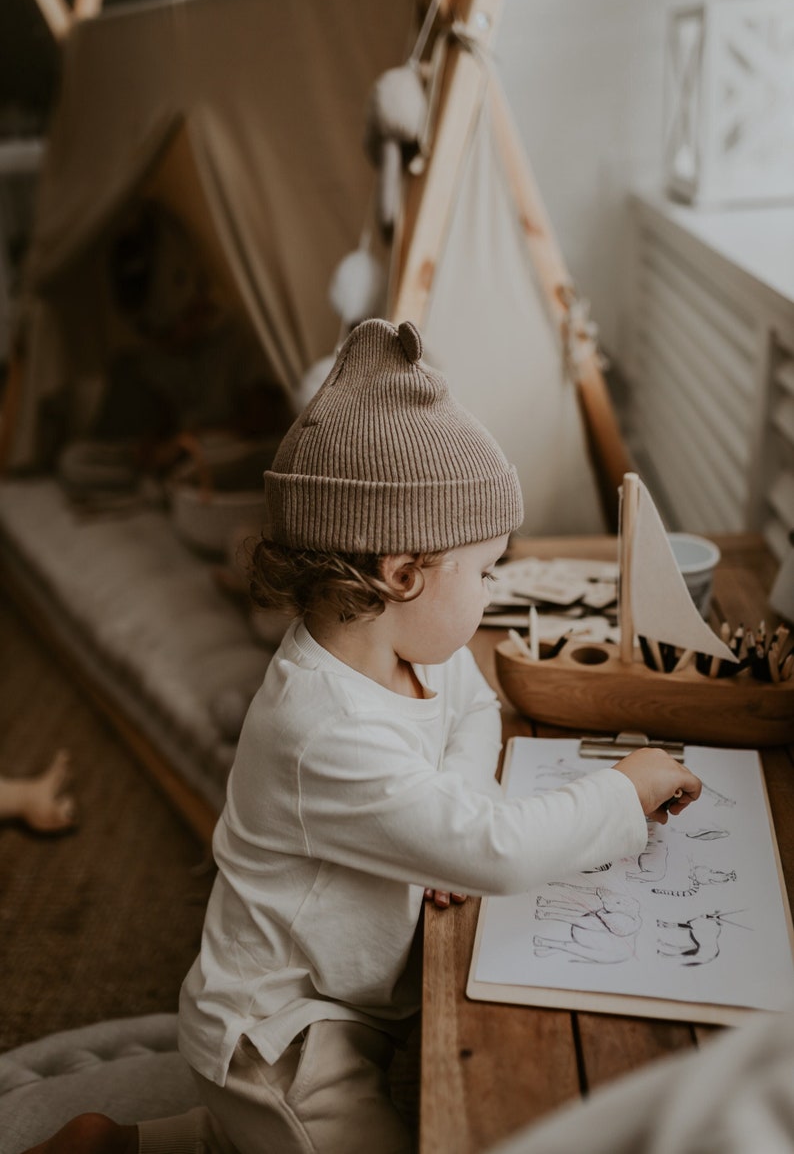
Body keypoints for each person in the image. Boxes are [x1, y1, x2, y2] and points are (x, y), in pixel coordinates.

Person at [25, 319, 700, 1154]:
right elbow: (498, 851)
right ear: (404, 571)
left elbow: (478, 713)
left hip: (351, 998)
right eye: (486, 570)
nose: (491, 593)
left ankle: (119, 1144)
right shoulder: (319, 726)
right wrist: (620, 791)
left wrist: (445, 815)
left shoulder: (422, 651)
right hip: (281, 1033)